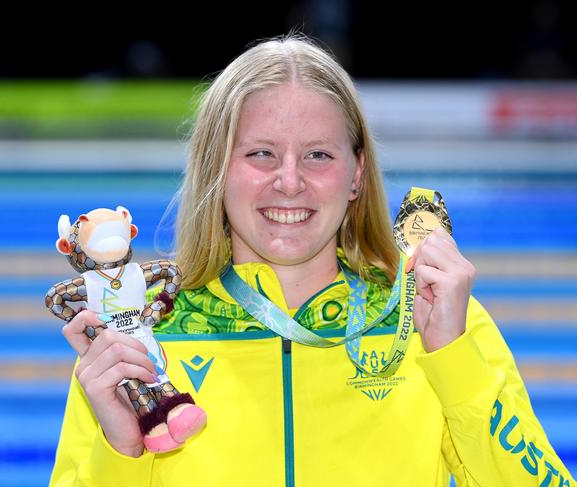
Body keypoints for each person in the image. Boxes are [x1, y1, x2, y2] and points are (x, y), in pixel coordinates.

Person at [49, 33, 574, 486]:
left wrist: (454, 359)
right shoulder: (141, 336)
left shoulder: (434, 319)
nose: (291, 181)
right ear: (216, 169)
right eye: (261, 153)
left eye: (319, 155)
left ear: (357, 175)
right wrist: (121, 452)